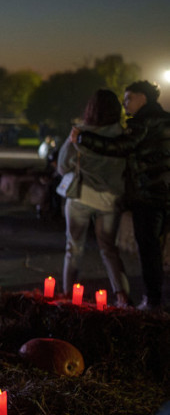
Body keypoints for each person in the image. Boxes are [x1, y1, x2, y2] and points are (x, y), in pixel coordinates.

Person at [72, 80, 170, 311]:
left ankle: (153, 301)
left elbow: (120, 146)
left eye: (129, 99)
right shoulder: (166, 118)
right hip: (165, 192)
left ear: (143, 98)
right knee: (157, 246)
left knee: (149, 249)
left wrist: (83, 138)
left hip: (148, 195)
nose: (125, 105)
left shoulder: (143, 123)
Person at [58, 90, 130, 301]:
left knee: (74, 248)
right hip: (110, 199)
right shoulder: (123, 137)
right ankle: (122, 296)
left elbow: (62, 166)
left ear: (90, 109)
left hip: (81, 196)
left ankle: (69, 294)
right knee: (109, 248)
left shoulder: (79, 133)